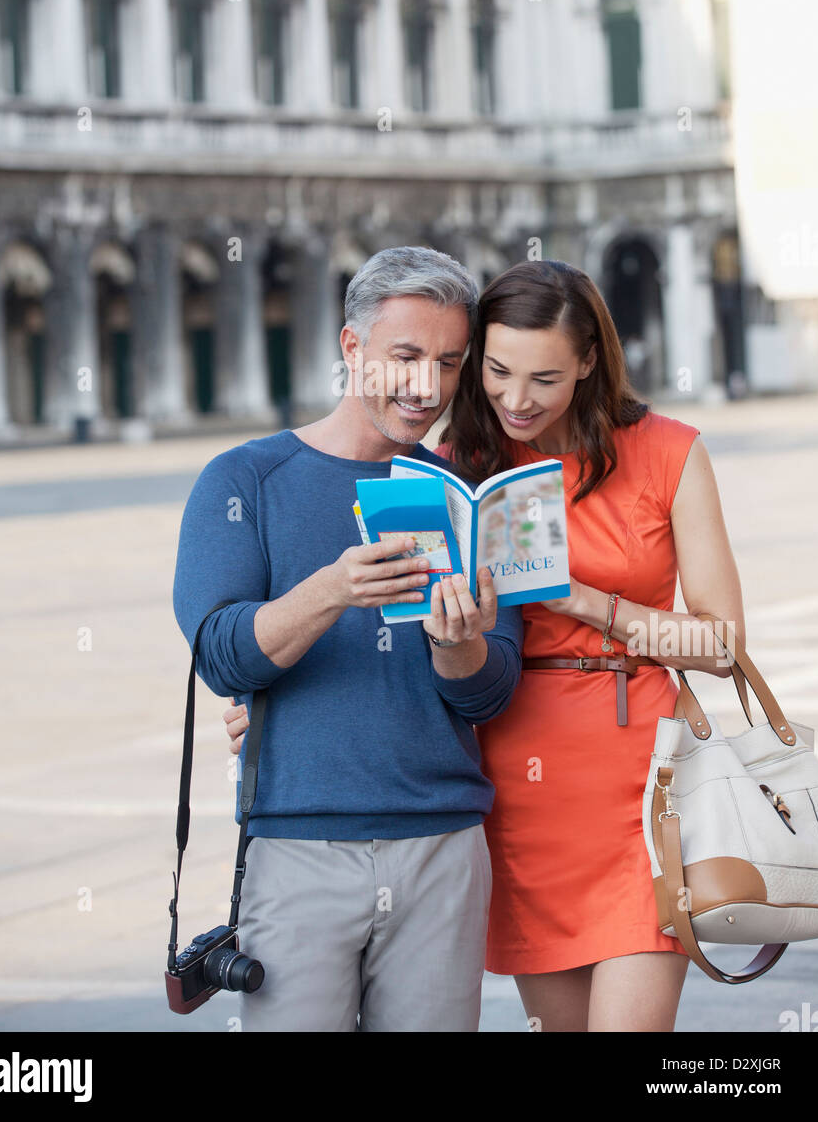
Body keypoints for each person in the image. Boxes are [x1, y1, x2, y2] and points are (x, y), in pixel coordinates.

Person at [226, 258, 743, 1032]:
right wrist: (277, 708)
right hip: (515, 783)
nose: (515, 399)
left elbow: (723, 645)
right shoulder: (462, 464)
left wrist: (584, 601)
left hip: (641, 787)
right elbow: (391, 610)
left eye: (544, 378)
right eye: (496, 371)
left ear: (590, 362)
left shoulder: (669, 452)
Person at [173, 246, 523, 1032]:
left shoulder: (463, 497)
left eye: (449, 362)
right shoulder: (243, 481)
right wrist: (335, 587)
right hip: (297, 842)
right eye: (404, 355)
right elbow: (221, 651)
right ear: (351, 347)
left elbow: (492, 690)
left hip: (442, 843)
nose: (425, 385)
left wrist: (456, 643)